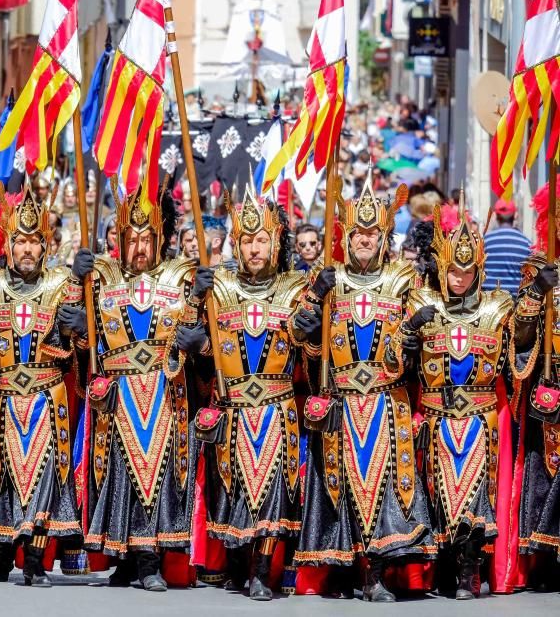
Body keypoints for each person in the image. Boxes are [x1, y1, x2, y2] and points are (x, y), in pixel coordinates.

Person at [293, 177, 436, 602]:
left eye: (372, 234)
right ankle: (342, 571)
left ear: (384, 237)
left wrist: (414, 340)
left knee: (383, 485)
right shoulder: (328, 281)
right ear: (346, 236)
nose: (364, 241)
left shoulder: (402, 279)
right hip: (340, 401)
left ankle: (374, 573)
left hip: (386, 402)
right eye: (357, 234)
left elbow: (427, 335)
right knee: (339, 486)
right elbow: (303, 340)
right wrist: (311, 312)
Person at [389, 202, 530, 599]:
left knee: (476, 495)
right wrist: (408, 335)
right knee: (439, 496)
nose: (460, 278)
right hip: (435, 416)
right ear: (442, 267)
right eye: (453, 270)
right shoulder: (420, 304)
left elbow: (519, 350)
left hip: (482, 418)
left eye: (467, 271)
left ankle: (471, 568)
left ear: (478, 269)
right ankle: (446, 570)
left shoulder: (497, 305)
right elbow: (397, 364)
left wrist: (534, 298)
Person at [76, 187, 210, 592]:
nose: (138, 246)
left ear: (161, 236)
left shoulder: (181, 276)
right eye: (130, 238)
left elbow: (199, 334)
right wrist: (74, 278)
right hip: (118, 393)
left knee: (159, 474)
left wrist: (204, 295)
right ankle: (125, 559)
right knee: (120, 474)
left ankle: (150, 559)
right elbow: (80, 335)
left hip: (164, 391)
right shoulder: (102, 276)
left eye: (146, 238)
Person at [0, 183, 85, 587]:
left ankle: (34, 559)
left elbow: (81, 346)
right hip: (3, 397)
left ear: (46, 247)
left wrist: (76, 327)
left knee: (45, 475)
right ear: (8, 245)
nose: (28, 250)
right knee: (2, 475)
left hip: (46, 400)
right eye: (21, 242)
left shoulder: (62, 284)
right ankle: (1, 555)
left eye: (36, 242)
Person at [198, 190, 307, 600]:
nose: (254, 247)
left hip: (278, 411)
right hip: (233, 410)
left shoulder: (295, 287)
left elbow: (310, 353)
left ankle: (263, 572)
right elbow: (204, 345)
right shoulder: (219, 285)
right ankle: (240, 565)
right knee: (235, 492)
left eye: (261, 240)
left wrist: (312, 329)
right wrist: (195, 312)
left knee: (273, 493)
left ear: (276, 243)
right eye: (247, 240)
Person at [515, 183, 560, 589]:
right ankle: (546, 561)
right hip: (553, 386)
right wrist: (535, 294)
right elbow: (522, 336)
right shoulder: (540, 268)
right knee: (548, 472)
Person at [482, 199, 532, 295]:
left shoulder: (485, 240)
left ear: (496, 216)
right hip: (516, 303)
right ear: (515, 215)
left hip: (488, 301)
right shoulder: (526, 243)